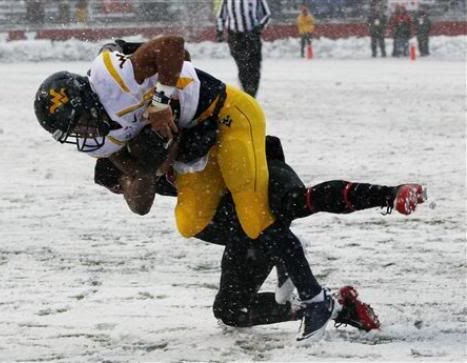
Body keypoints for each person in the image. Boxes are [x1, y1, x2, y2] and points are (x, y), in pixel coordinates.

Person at [33, 37, 424, 341]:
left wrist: (160, 99)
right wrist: (143, 169)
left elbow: (169, 48)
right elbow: (142, 202)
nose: (83, 136)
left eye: (81, 123)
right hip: (215, 192)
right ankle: (335, 304)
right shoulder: (113, 148)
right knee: (226, 298)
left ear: (92, 102)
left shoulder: (118, 83)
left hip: (229, 132)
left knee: (285, 205)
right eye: (74, 134)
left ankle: (385, 200)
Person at [93, 126, 424, 333]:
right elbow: (141, 204)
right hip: (244, 228)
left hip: (258, 178)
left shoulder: (165, 133)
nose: (129, 193)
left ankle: (391, 193)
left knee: (300, 201)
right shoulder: (158, 180)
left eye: (123, 184)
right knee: (230, 310)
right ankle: (336, 304)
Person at [216, 0, 271, 97]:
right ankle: (247, 92)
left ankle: (252, 93)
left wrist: (258, 27)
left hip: (252, 36)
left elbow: (267, 15)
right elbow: (221, 16)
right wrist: (219, 31)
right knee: (243, 66)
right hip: (235, 37)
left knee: (254, 66)